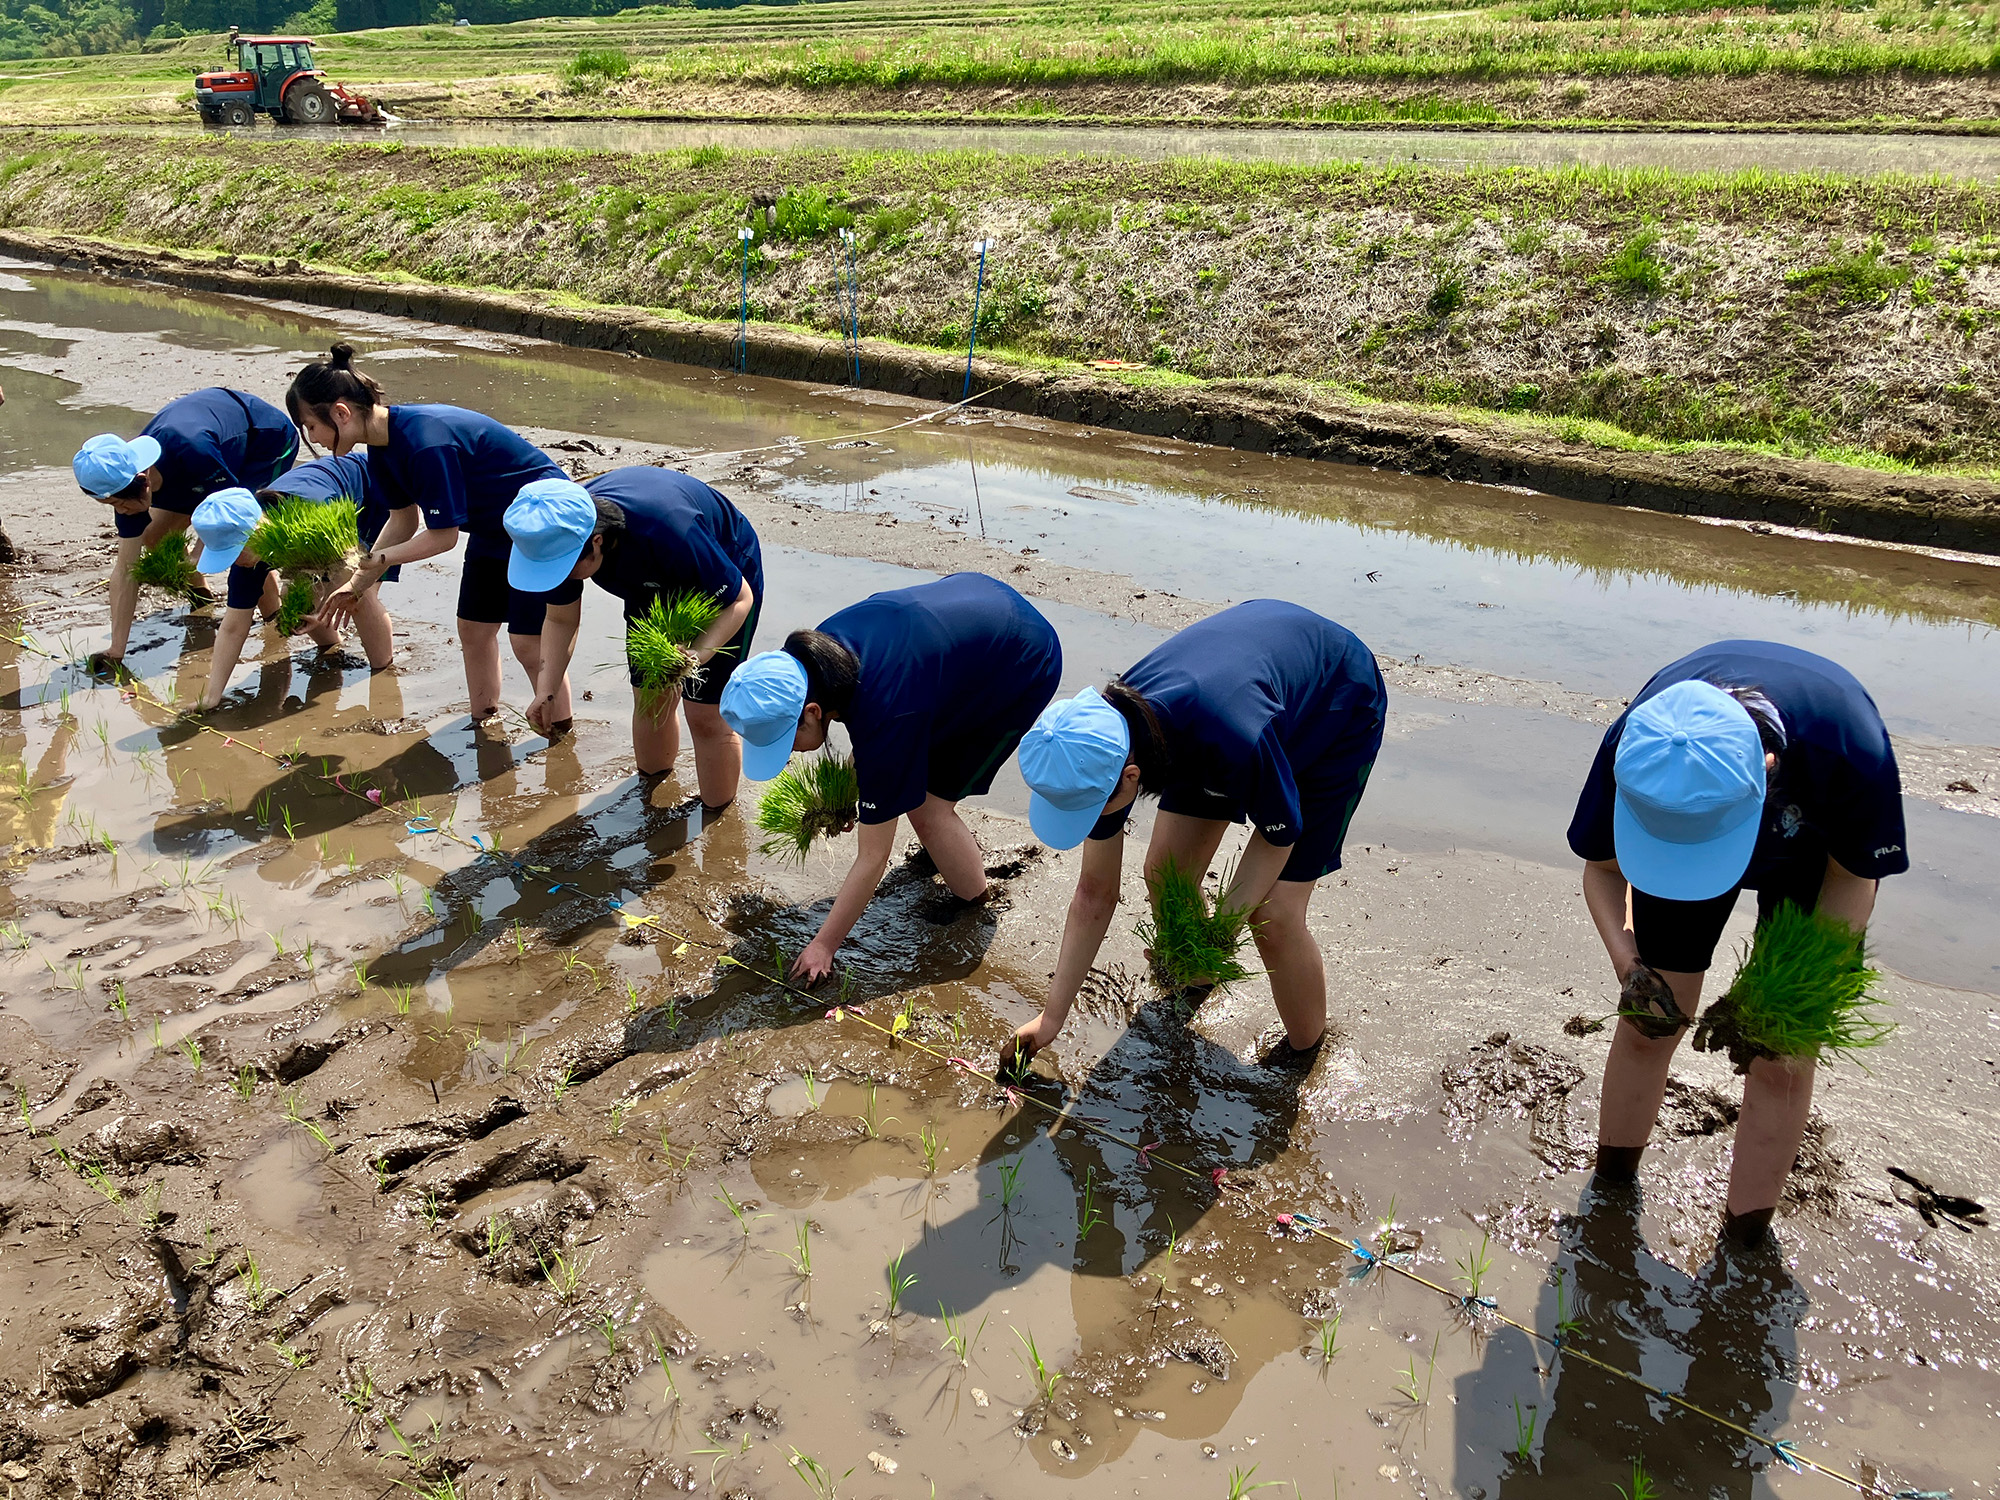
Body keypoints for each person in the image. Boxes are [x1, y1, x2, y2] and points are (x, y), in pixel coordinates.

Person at [1566, 639, 1907, 1249]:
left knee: (1781, 1054)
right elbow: (1604, 868)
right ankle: (1611, 1190)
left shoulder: (1848, 747)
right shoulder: (1641, 748)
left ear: (1767, 768)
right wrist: (1628, 963)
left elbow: (1851, 879)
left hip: (1809, 847)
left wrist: (1781, 994)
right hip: (1678, 832)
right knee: (1650, 1020)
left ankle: (1746, 1234)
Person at [1003, 601, 1386, 1075]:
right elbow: (1094, 893)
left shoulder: (1231, 738)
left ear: (1130, 778)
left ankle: (1303, 1054)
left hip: (1336, 700)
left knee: (1274, 916)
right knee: (1166, 873)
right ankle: (1196, 977)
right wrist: (1051, 1018)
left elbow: (1279, 835)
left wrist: (1218, 933)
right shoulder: (1096, 747)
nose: (1088, 818)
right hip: (1229, 703)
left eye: (1088, 810)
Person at [719, 572, 1061, 985]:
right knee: (908, 768)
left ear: (812, 712)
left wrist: (823, 945)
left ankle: (973, 904)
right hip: (973, 607)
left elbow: (873, 858)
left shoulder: (887, 709)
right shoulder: (818, 656)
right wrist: (851, 795)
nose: (789, 753)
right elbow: (877, 733)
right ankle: (947, 861)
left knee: (929, 808)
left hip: (1021, 659)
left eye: (784, 741)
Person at [285, 344, 571, 725]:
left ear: (341, 412)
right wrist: (355, 585)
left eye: (311, 426)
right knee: (473, 629)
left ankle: (560, 736)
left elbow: (443, 537)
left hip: (540, 521)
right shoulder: (381, 450)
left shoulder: (424, 442)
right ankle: (484, 722)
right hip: (493, 526)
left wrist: (377, 560)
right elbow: (402, 522)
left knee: (528, 644)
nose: (313, 437)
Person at [504, 468, 762, 807]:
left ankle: (716, 815)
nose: (560, 577)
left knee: (705, 715)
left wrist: (695, 656)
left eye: (565, 568)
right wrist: (545, 690)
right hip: (648, 585)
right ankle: (652, 799)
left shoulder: (668, 529)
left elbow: (739, 599)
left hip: (721, 579)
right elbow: (560, 618)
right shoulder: (557, 539)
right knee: (650, 699)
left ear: (596, 541)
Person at [71, 387, 299, 673]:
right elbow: (126, 569)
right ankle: (201, 596)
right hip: (200, 469)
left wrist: (199, 553)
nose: (121, 511)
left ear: (144, 480)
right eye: (112, 504)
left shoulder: (193, 452)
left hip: (264, 445)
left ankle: (274, 620)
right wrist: (117, 649)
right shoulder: (122, 483)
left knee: (241, 547)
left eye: (120, 504)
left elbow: (235, 518)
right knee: (154, 535)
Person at [189, 450, 398, 710]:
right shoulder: (248, 557)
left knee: (357, 595)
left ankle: (383, 671)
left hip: (372, 495)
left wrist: (329, 602)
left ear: (257, 532)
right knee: (297, 601)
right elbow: (233, 627)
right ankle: (331, 650)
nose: (235, 562)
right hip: (315, 526)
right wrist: (212, 696)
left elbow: (352, 580)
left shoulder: (314, 520)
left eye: (234, 553)